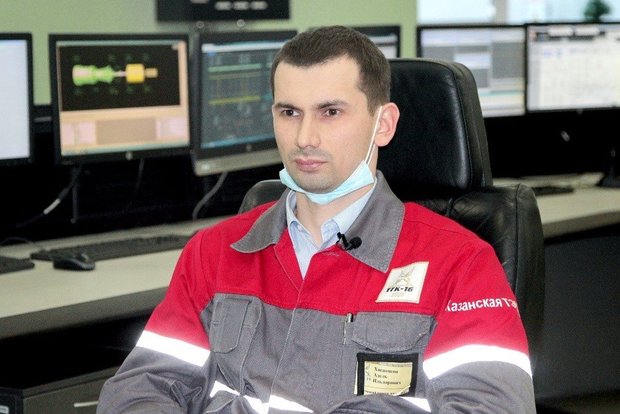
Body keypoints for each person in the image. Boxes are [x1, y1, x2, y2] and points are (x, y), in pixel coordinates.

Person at [97, 26, 536, 413]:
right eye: (289, 113)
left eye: (330, 112)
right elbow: (139, 391)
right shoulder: (213, 252)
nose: (304, 138)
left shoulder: (459, 263)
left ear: (383, 124)